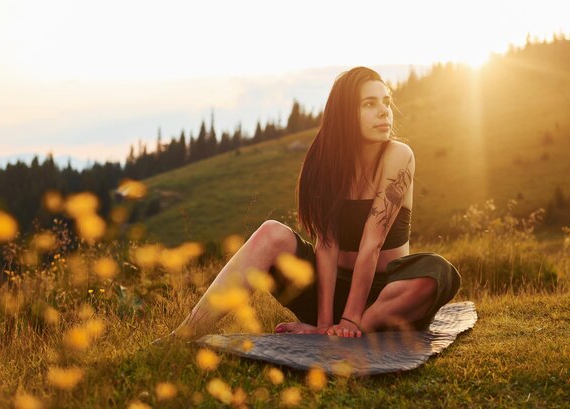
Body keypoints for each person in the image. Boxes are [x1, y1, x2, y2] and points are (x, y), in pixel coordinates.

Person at [169, 66, 461, 339]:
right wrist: (324, 324)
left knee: (436, 271)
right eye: (370, 104)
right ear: (346, 113)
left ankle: (360, 329)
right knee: (271, 233)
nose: (384, 111)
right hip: (330, 295)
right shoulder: (325, 163)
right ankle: (185, 333)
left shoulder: (398, 155)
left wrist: (350, 320)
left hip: (387, 295)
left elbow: (371, 243)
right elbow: (327, 245)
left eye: (386, 101)